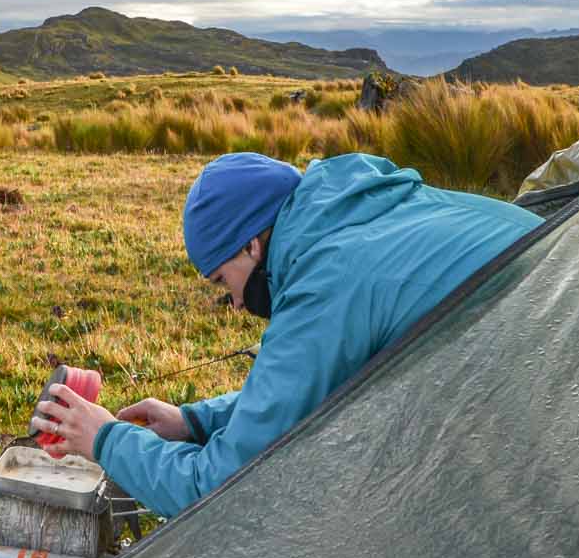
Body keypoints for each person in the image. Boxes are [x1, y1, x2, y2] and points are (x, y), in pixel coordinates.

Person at [33, 150, 541, 518]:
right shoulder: (360, 215)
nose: (234, 303)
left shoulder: (328, 279)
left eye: (222, 281)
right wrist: (194, 421)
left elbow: (220, 487)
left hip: (535, 414)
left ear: (252, 247)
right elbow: (319, 389)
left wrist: (103, 439)